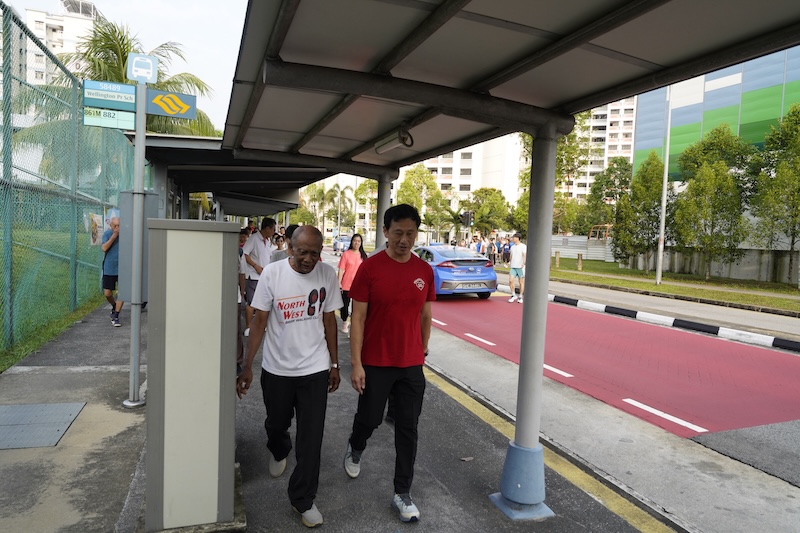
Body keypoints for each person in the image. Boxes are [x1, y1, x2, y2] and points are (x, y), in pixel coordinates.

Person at [236, 225, 342, 529]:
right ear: (290, 248)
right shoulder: (273, 273)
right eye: (303, 251)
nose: (309, 259)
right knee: (276, 423)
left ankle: (303, 499)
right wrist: (247, 366)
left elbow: (329, 320)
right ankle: (279, 447)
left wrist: (334, 364)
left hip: (315, 369)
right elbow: (259, 322)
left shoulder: (327, 274)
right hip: (277, 369)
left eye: (315, 252)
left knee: (311, 439)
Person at [343, 204, 435, 523]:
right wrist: (356, 363)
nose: (404, 240)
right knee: (369, 418)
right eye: (398, 233)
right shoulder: (370, 269)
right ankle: (356, 446)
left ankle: (402, 492)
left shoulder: (424, 271)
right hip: (376, 362)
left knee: (408, 428)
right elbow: (358, 318)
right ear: (385, 232)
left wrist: (421, 350)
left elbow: (426, 314)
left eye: (410, 233)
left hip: (410, 365)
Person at [242, 217, 277, 336]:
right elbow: (244, 254)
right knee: (252, 303)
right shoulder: (254, 239)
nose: (274, 232)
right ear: (267, 228)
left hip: (264, 277)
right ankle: (248, 327)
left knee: (265, 302)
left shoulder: (267, 241)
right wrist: (255, 266)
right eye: (273, 229)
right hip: (253, 276)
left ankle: (263, 325)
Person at [337, 233, 367, 334]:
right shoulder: (346, 254)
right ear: (352, 242)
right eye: (355, 241)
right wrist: (339, 282)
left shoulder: (363, 256)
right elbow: (341, 269)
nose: (356, 243)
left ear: (361, 243)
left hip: (359, 286)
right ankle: (345, 321)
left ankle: (354, 328)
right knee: (344, 306)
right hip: (346, 285)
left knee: (357, 308)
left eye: (359, 241)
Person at [101, 216, 123, 327]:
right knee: (107, 293)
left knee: (123, 292)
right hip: (109, 267)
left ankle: (116, 315)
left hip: (123, 268)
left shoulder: (126, 235)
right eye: (115, 226)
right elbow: (104, 248)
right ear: (111, 226)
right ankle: (114, 305)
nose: (117, 228)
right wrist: (114, 236)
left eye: (119, 226)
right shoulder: (107, 234)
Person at [507, 233, 527, 304]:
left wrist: (523, 263)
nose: (512, 239)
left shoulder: (523, 246)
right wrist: (509, 262)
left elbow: (524, 255)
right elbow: (511, 255)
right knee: (510, 280)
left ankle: (520, 296)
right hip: (513, 266)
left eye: (514, 238)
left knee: (521, 282)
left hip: (520, 267)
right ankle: (513, 295)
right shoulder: (512, 247)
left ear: (518, 238)